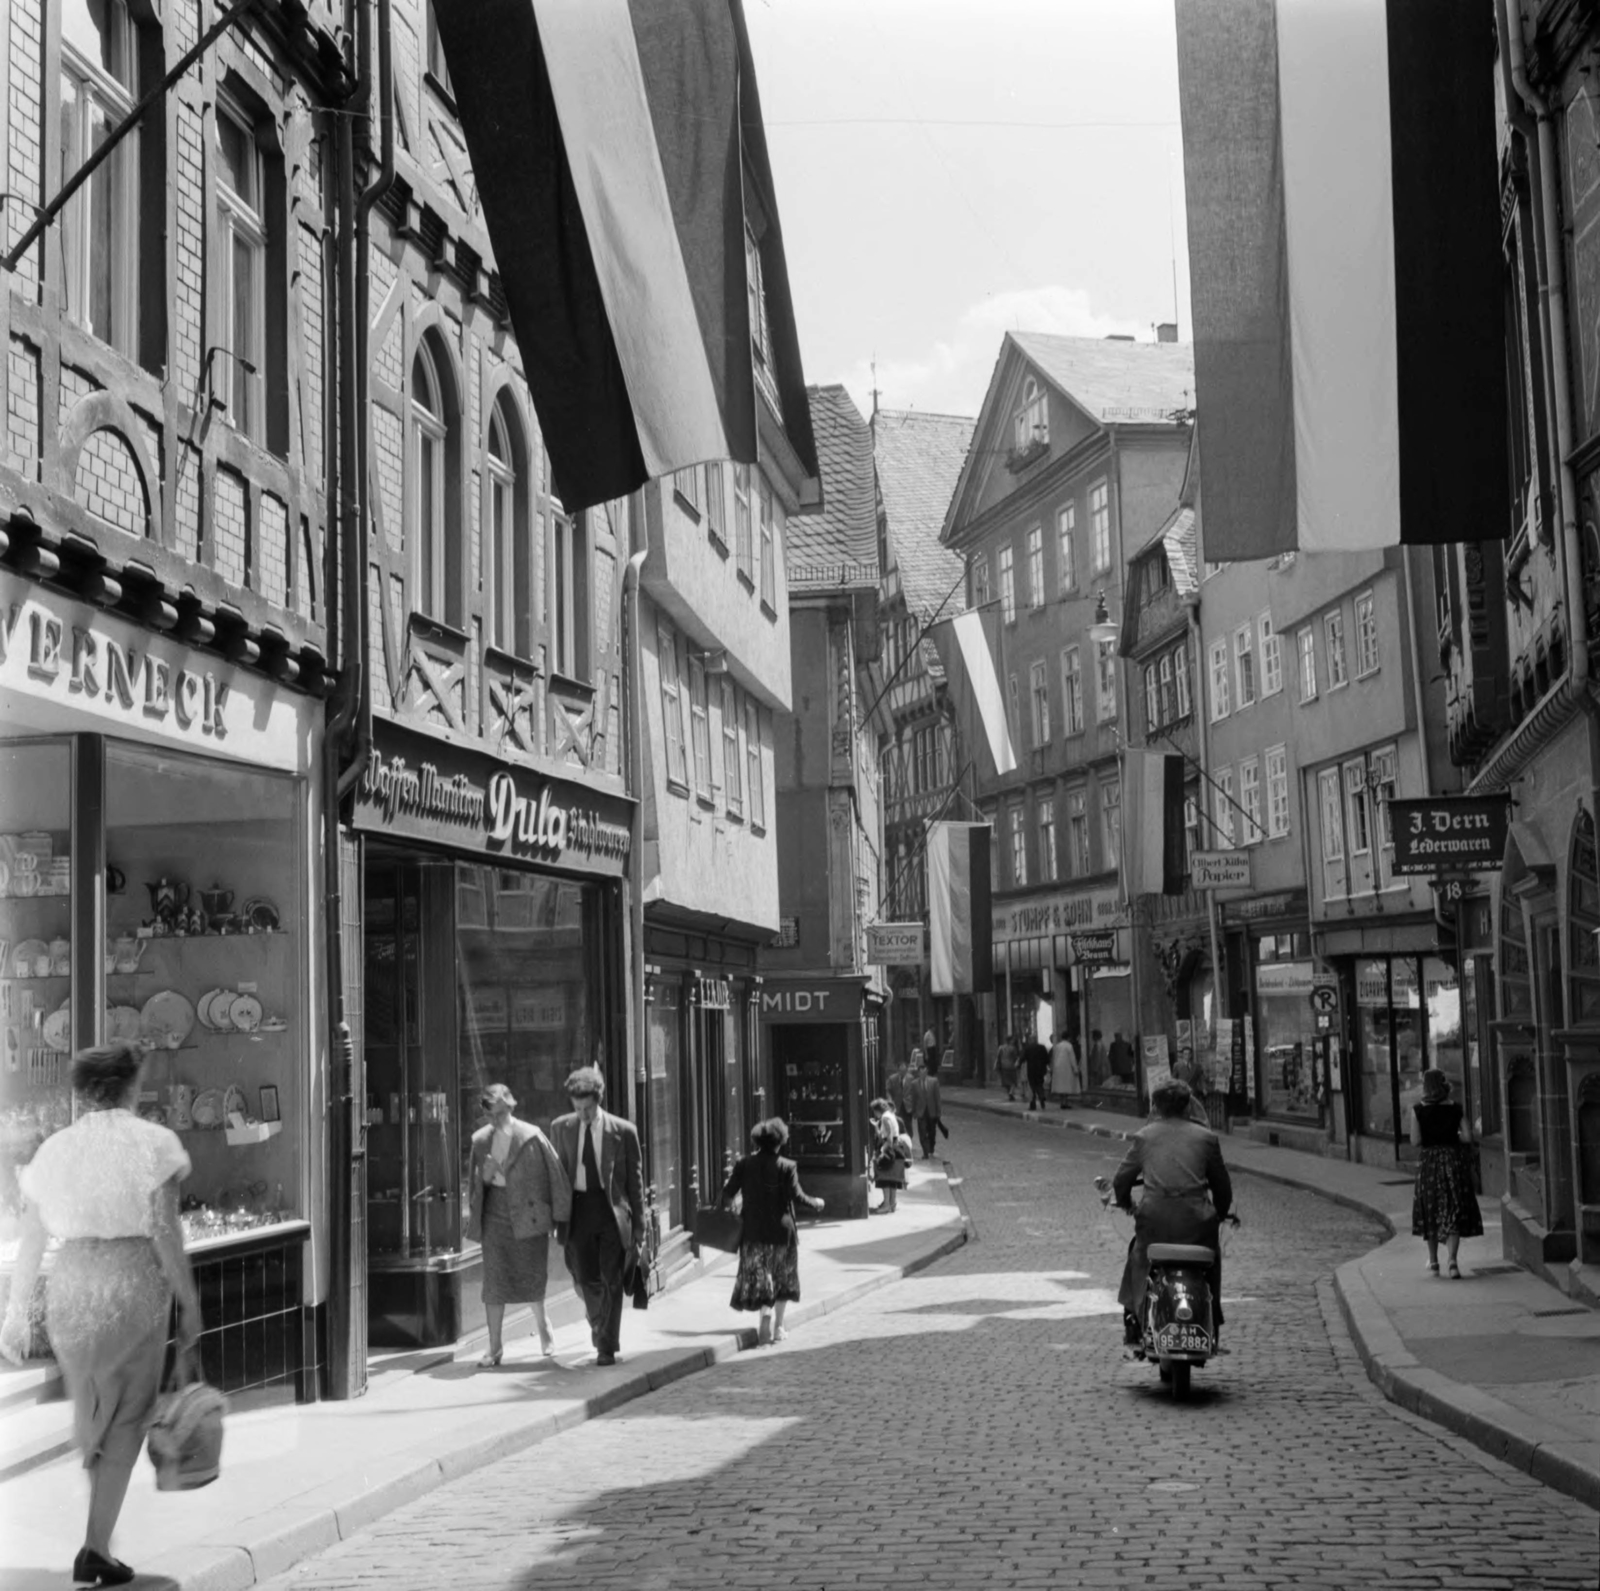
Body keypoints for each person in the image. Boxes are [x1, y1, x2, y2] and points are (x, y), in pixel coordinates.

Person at [0, 1043, 202, 1587]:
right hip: (132, 1280)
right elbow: (164, 1231)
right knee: (128, 1416)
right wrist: (189, 1303)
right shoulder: (155, 1143)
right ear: (131, 1085)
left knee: (92, 1409)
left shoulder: (54, 1151)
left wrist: (17, 1311)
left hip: (71, 1282)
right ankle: (95, 1545)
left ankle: (97, 1538)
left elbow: (34, 1236)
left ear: (82, 1092)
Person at [1112, 1078, 1233, 1354]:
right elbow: (1223, 1188)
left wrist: (1125, 1203)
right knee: (1211, 1257)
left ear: (1157, 1107)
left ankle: (1132, 1317)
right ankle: (1212, 1315)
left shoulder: (1145, 1137)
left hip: (1154, 1224)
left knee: (1138, 1253)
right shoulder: (1207, 1139)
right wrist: (1220, 1214)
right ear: (1188, 1106)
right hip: (1198, 1226)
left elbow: (1121, 1180)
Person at [466, 1082, 571, 1365]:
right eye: (491, 1114)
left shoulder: (531, 1136)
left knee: (531, 1278)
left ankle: (543, 1325)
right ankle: (494, 1347)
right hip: (495, 1218)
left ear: (510, 1107)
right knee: (494, 1284)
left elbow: (555, 1174)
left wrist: (561, 1218)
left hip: (527, 1218)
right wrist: (485, 1178)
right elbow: (474, 1191)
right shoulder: (480, 1141)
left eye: (500, 1113)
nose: (496, 1119)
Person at [550, 1066, 644, 1366]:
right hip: (577, 1210)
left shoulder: (624, 1131)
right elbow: (557, 1175)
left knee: (611, 1278)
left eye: (588, 1109)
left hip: (610, 1211)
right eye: (577, 1109)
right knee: (584, 1278)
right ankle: (598, 1320)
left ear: (598, 1100)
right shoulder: (560, 1127)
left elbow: (635, 1181)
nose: (583, 1115)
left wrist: (640, 1225)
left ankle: (607, 1345)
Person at [720, 1118, 824, 1344]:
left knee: (762, 1277)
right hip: (782, 1231)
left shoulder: (744, 1164)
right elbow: (797, 1196)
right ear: (781, 1140)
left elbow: (727, 1193)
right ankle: (778, 1326)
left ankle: (764, 1316)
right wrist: (816, 1202)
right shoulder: (787, 1166)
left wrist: (734, 1210)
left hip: (753, 1231)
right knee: (782, 1279)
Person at [1409, 1068, 1483, 1278]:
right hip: (1452, 1162)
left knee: (1430, 1210)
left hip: (1429, 1164)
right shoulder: (1456, 1109)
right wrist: (1452, 1137)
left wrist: (1432, 1137)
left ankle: (1433, 1262)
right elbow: (1468, 1137)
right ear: (1444, 1086)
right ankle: (1452, 1260)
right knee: (1453, 1208)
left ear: (1425, 1087)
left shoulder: (1418, 1110)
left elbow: (1415, 1141)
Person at [868, 1098, 908, 1213]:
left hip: (890, 1149)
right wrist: (876, 1126)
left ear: (877, 1110)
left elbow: (888, 1138)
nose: (874, 1114)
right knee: (893, 1179)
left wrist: (881, 1152)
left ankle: (886, 1205)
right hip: (896, 1148)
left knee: (884, 1177)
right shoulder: (890, 1115)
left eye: (874, 1111)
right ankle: (892, 1203)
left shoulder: (885, 1118)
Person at [914, 1056, 945, 1159]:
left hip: (931, 1111)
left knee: (932, 1132)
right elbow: (914, 1099)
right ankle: (925, 1152)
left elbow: (937, 1098)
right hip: (921, 1112)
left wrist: (939, 1112)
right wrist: (914, 1112)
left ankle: (931, 1148)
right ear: (918, 1073)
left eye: (924, 1071)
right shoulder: (914, 1084)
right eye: (920, 1072)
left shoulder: (934, 1081)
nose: (922, 1074)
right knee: (922, 1132)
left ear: (926, 1072)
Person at [1050, 1030, 1082, 1109]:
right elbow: (1072, 1058)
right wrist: (1075, 1068)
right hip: (1066, 1068)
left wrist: (1053, 1068)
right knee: (1066, 1086)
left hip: (1058, 1069)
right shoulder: (1069, 1046)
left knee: (1061, 1087)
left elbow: (1054, 1057)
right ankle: (1065, 1102)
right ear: (1068, 1038)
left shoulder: (1057, 1046)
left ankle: (1062, 1102)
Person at [1021, 1032, 1050, 1111]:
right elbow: (1047, 1059)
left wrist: (1018, 1064)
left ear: (1030, 1040)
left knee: (1032, 1087)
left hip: (1031, 1070)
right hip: (1040, 1070)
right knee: (1039, 1084)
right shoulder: (1042, 1047)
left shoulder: (1027, 1048)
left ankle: (1033, 1104)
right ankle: (1041, 1096)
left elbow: (1023, 1058)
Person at [996, 1032, 1020, 1100]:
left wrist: (998, 1064)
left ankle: (1009, 1093)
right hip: (1011, 1066)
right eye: (1013, 1040)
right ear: (1010, 1040)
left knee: (1006, 1081)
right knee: (1013, 1081)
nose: (1014, 1041)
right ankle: (1011, 1092)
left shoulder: (1001, 1047)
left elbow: (998, 1057)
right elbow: (1015, 1057)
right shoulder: (1013, 1048)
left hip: (1003, 1066)